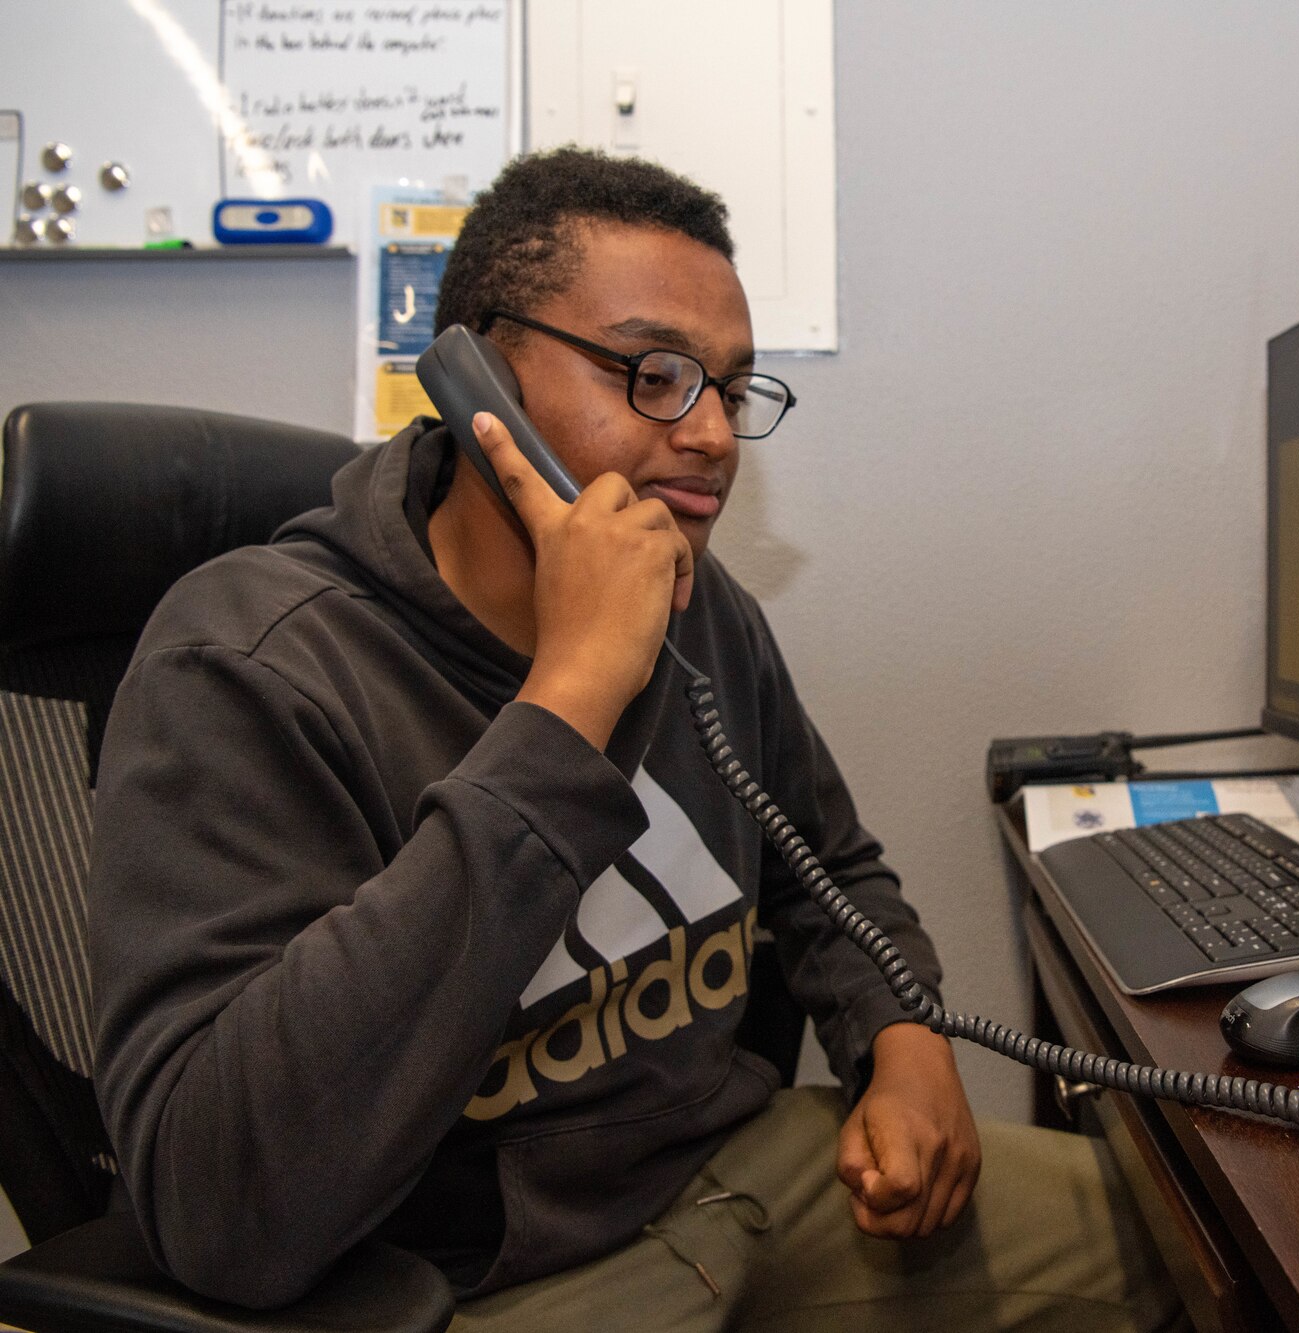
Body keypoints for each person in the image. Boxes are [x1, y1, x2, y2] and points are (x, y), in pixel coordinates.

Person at [86, 147, 1186, 1332]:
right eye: (655, 373)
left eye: (729, 386)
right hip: (467, 1281)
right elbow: (223, 1208)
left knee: (1198, 1255)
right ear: (473, 381)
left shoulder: (705, 615)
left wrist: (902, 1040)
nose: (712, 433)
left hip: (734, 1179)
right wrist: (566, 702)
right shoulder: (251, 666)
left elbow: (830, 873)